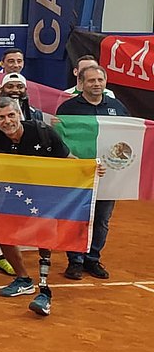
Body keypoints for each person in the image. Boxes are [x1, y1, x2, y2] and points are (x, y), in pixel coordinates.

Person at [0, 96, 103, 317]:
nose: (7, 121)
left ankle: (44, 287)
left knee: (44, 237)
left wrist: (89, 168)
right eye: (1, 117)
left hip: (44, 194)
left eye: (11, 115)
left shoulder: (42, 132)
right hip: (13, 195)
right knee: (3, 235)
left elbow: (67, 157)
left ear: (19, 115)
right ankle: (23, 279)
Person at [56, 65, 128, 281]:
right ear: (82, 84)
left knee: (102, 220)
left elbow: (126, 138)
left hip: (109, 175)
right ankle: (75, 261)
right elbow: (60, 140)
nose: (96, 84)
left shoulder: (117, 107)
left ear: (106, 82)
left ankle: (92, 259)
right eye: (91, 81)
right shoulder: (68, 108)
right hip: (79, 174)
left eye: (100, 80)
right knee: (78, 218)